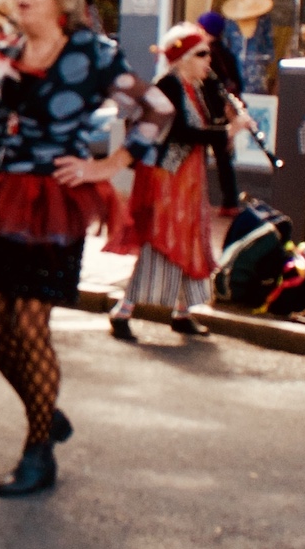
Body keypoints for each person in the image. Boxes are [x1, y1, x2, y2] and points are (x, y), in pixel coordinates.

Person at [0, 0, 175, 497]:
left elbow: (159, 112)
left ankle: (38, 451)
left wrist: (111, 164)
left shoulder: (94, 55)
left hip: (57, 201)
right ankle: (45, 410)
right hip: (3, 195)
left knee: (29, 323)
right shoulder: (3, 50)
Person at [106, 22, 250, 340]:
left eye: (207, 55)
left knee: (191, 236)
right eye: (200, 54)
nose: (207, 61)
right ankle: (124, 309)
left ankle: (183, 311)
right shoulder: (168, 86)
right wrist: (227, 130)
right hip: (166, 175)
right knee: (163, 239)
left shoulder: (199, 87)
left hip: (188, 176)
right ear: (182, 56)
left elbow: (208, 127)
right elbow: (185, 132)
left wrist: (228, 115)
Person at [195, 10, 246, 208]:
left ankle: (204, 198)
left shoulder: (206, 53)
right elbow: (237, 83)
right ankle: (230, 201)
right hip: (224, 111)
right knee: (224, 159)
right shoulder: (227, 53)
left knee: (200, 155)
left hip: (210, 110)